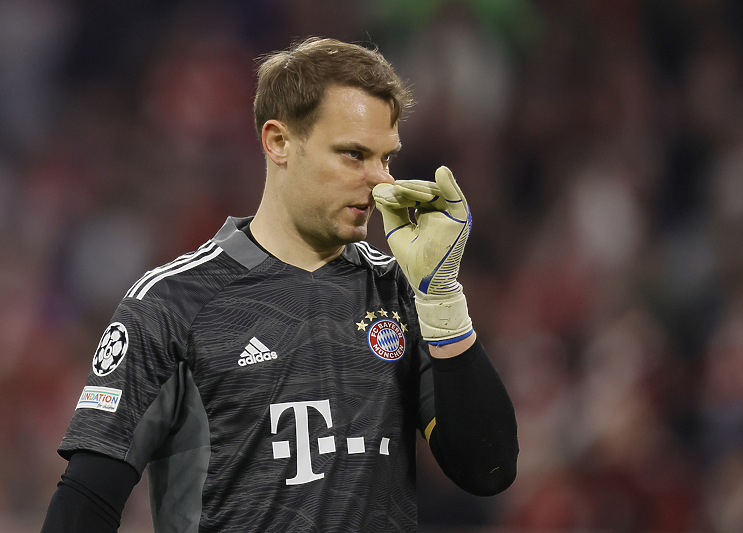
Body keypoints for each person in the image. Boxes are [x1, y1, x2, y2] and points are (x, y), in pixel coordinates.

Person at [41, 37, 518, 532]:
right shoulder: (173, 304)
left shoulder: (399, 291)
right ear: (279, 142)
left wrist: (441, 298)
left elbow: (490, 470)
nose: (381, 183)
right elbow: (84, 504)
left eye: (387, 158)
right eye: (354, 155)